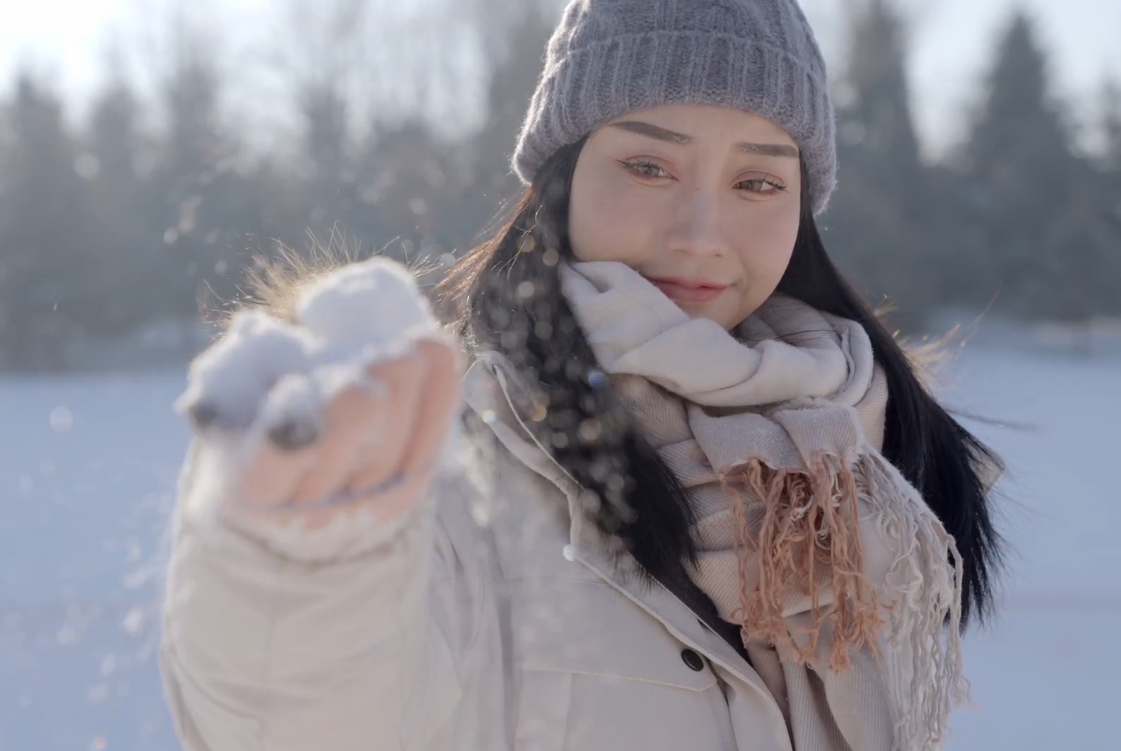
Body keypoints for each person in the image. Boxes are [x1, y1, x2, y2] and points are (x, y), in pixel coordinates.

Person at [159, 0, 1004, 749]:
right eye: (647, 165)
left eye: (756, 180)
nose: (702, 230)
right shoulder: (456, 450)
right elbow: (308, 717)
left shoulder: (859, 451)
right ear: (560, 182)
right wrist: (298, 563)